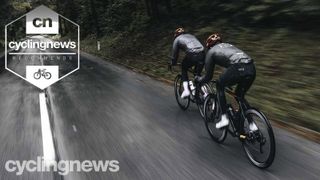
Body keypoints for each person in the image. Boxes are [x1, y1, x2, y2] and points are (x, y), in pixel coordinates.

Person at [196, 33, 257, 130]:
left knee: (219, 85)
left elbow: (208, 77)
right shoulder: (229, 45)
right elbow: (231, 63)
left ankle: (224, 118)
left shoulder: (211, 52)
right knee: (239, 96)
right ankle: (252, 125)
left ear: (209, 46)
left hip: (238, 67)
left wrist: (199, 79)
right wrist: (228, 80)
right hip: (251, 67)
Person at [171, 28, 205, 99]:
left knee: (184, 67)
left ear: (176, 35)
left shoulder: (177, 39)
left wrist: (173, 63)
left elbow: (175, 54)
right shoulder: (191, 36)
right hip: (202, 54)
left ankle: (186, 90)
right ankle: (206, 94)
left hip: (192, 54)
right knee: (197, 75)